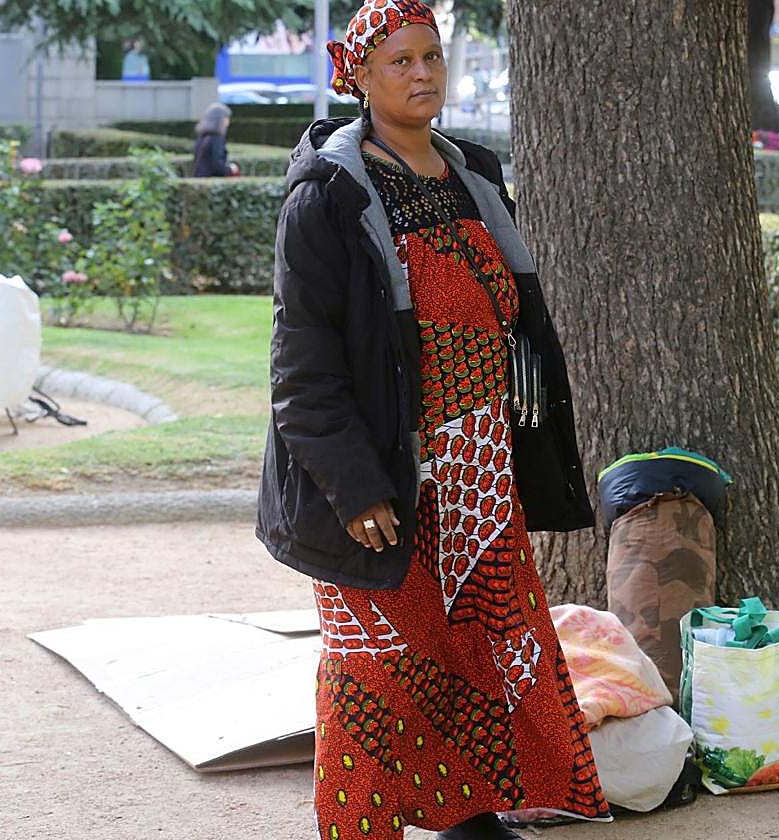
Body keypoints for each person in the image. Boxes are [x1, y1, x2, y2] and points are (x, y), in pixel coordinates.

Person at [255, 3, 610, 838]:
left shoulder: (473, 175)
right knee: (377, 667)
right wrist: (353, 488)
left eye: (432, 57)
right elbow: (302, 369)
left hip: (480, 470)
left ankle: (468, 816)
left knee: (476, 652)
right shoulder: (329, 195)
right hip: (388, 474)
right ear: (360, 77)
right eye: (399, 62)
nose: (421, 75)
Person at [192, 103, 238, 177]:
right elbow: (218, 167)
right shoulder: (216, 139)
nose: (228, 121)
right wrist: (231, 169)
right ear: (220, 120)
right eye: (226, 118)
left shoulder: (202, 137)